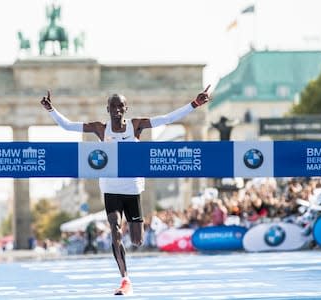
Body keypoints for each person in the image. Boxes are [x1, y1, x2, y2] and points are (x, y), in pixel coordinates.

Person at [40, 86, 210, 295]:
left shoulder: (136, 126)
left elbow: (166, 118)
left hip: (132, 189)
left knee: (137, 240)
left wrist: (194, 104)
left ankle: (131, 246)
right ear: (108, 109)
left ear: (126, 108)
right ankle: (125, 279)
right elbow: (68, 126)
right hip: (110, 189)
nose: (117, 110)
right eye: (113, 106)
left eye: (120, 106)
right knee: (115, 230)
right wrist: (51, 110)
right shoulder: (100, 129)